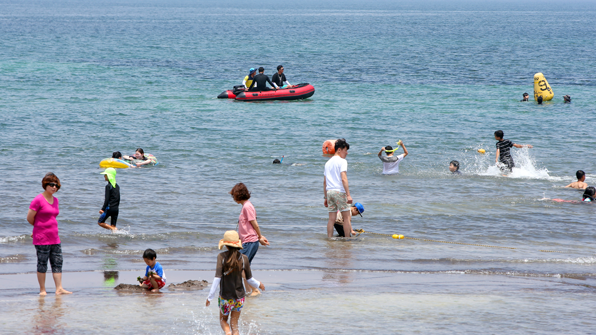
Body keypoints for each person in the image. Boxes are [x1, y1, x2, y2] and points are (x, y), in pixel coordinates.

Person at [206, 230, 265, 335]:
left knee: (223, 320)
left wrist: (210, 297)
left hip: (225, 297)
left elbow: (217, 278)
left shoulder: (221, 257)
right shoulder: (244, 258)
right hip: (239, 298)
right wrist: (259, 284)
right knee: (235, 324)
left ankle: (228, 333)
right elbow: (249, 279)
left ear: (226, 245)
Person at [27, 173, 72, 296]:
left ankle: (59, 288)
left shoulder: (56, 200)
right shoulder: (38, 199)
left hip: (55, 237)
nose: (54, 187)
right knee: (42, 263)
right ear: (45, 185)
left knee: (57, 262)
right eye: (51, 185)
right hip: (41, 237)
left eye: (56, 186)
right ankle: (42, 290)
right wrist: (37, 229)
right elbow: (30, 218)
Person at [229, 183, 269, 296]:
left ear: (239, 195)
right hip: (246, 242)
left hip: (250, 242)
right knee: (244, 268)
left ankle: (255, 289)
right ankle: (248, 290)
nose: (233, 198)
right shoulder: (244, 206)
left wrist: (260, 237)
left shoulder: (247, 206)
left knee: (240, 267)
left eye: (233, 196)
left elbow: (254, 223)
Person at [324, 138, 353, 238]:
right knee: (346, 217)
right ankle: (347, 239)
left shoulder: (327, 163)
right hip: (339, 192)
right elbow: (344, 178)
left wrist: (325, 197)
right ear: (339, 150)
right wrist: (348, 195)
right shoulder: (342, 161)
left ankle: (329, 239)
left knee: (331, 219)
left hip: (330, 192)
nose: (347, 153)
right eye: (345, 150)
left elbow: (324, 182)